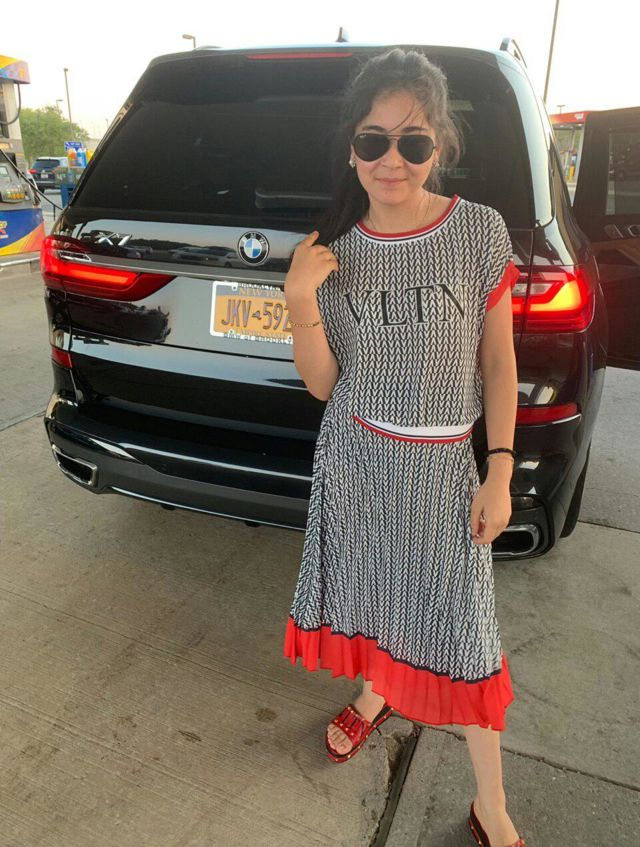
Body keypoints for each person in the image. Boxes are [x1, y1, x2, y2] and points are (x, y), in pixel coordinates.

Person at [283, 48, 524, 847]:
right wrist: (298, 297)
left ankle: (491, 804)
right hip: (356, 460)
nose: (393, 159)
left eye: (413, 142)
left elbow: (499, 362)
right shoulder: (333, 249)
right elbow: (324, 383)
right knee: (373, 594)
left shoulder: (477, 231)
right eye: (374, 140)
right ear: (352, 148)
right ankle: (376, 691)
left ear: (440, 145)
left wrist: (499, 469)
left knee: (466, 634)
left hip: (445, 467)